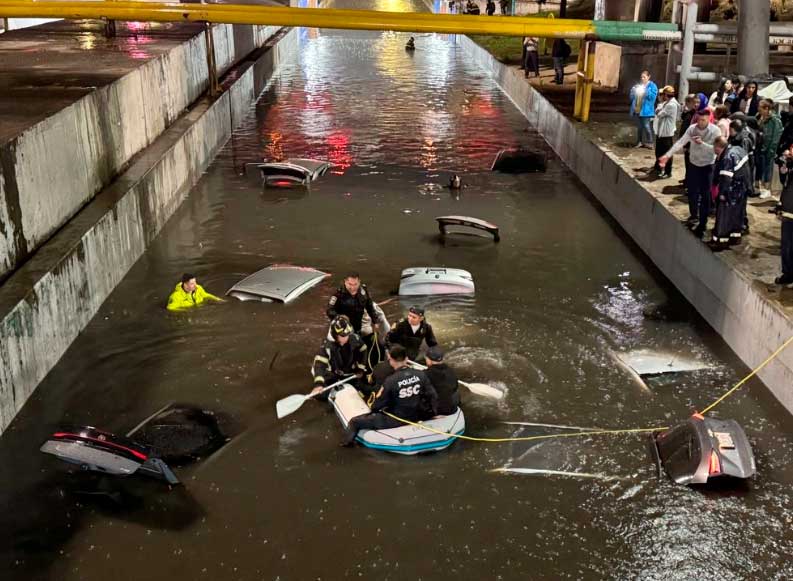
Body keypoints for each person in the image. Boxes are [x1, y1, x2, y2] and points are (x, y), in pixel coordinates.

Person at [341, 345, 437, 446]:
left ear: (391, 360)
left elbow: (377, 405)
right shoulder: (420, 374)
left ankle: (346, 444)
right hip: (416, 414)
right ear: (407, 359)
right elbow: (432, 396)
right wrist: (431, 413)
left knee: (354, 422)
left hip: (396, 419)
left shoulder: (390, 381)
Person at [659, 113, 720, 237]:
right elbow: (680, 142)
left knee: (705, 195)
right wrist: (667, 155)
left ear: (709, 120)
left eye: (703, 120)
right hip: (694, 164)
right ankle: (694, 216)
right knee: (692, 191)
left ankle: (703, 223)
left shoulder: (715, 131)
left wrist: (702, 143)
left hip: (707, 166)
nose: (700, 122)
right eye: (698, 120)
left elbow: (717, 149)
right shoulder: (692, 128)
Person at [311, 315, 369, 397]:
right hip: (331, 373)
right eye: (343, 336)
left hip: (348, 372)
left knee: (364, 386)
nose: (346, 338)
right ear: (335, 336)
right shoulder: (326, 347)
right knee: (320, 396)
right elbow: (319, 366)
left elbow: (364, 350)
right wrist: (318, 384)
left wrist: (360, 368)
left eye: (348, 335)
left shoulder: (354, 338)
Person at [710, 136, 751, 251]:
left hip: (732, 189)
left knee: (724, 215)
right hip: (742, 188)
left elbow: (726, 179)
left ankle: (720, 241)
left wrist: (722, 193)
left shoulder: (727, 158)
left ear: (718, 147)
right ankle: (735, 237)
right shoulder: (738, 149)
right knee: (737, 214)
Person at [756, 98, 783, 198]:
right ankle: (762, 187)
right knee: (762, 168)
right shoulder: (761, 117)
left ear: (766, 108)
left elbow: (776, 136)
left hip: (770, 148)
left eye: (760, 107)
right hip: (761, 147)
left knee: (768, 168)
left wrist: (771, 149)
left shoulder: (775, 120)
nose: (758, 108)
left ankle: (767, 189)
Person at [423, 346, 460, 415]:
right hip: (452, 408)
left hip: (439, 410)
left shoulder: (425, 374)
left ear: (428, 360)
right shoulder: (451, 370)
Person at [775, 148, 793, 285]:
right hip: (788, 212)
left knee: (788, 245)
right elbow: (785, 186)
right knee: (786, 245)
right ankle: (788, 273)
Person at [653, 86, 680, 178]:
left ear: (666, 95)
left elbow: (659, 114)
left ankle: (667, 172)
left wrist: (659, 110)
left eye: (663, 94)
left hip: (666, 133)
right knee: (660, 152)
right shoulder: (668, 103)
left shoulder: (671, 105)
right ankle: (660, 168)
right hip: (663, 132)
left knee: (666, 153)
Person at [629, 70, 658, 149]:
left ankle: (650, 142)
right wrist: (632, 91)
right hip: (637, 109)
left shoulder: (652, 86)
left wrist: (646, 91)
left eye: (644, 77)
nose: (642, 78)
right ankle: (639, 142)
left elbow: (652, 97)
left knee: (646, 126)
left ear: (649, 77)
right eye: (641, 77)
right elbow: (632, 98)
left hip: (646, 111)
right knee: (639, 127)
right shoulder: (638, 86)